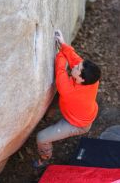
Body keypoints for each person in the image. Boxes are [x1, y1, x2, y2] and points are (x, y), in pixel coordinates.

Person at [33, 30, 101, 168]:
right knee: (60, 98)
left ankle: (44, 157)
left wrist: (61, 53)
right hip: (83, 111)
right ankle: (52, 112)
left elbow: (60, 69)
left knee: (41, 137)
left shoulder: (68, 89)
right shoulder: (92, 80)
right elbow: (76, 59)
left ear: (81, 79)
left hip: (77, 124)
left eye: (77, 68)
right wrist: (63, 44)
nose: (75, 66)